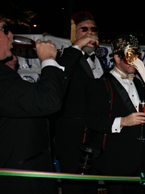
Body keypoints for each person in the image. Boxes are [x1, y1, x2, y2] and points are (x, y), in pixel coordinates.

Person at [0, 8, 81, 193]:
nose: (11, 34)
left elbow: (49, 94)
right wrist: (48, 60)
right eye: (4, 29)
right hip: (18, 180)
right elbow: (48, 101)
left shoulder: (3, 76)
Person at [86, 34, 145, 194]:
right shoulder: (101, 85)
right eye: (130, 56)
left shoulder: (138, 81)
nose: (135, 61)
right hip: (116, 161)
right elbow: (93, 121)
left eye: (137, 56)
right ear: (116, 57)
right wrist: (122, 121)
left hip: (141, 159)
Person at [54, 11, 104, 194]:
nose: (90, 33)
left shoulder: (100, 61)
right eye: (84, 29)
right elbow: (59, 78)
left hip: (96, 138)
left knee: (91, 187)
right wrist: (77, 47)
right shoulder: (65, 58)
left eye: (93, 29)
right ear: (75, 34)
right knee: (74, 189)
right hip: (73, 141)